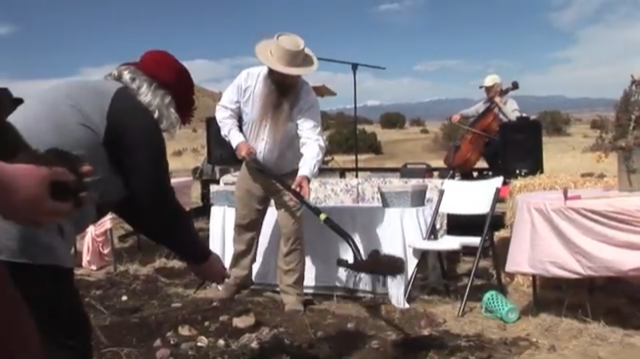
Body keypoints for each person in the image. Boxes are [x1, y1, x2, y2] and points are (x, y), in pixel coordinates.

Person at [1, 50, 228, 359]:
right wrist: (202, 258)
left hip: (14, 223)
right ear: (165, 102)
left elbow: (130, 204)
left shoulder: (93, 99)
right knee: (63, 343)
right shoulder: (133, 114)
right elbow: (155, 205)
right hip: (23, 235)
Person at [214, 33, 326, 313]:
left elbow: (313, 139)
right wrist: (238, 141)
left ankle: (291, 296)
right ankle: (238, 278)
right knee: (245, 226)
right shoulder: (247, 80)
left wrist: (305, 174)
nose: (289, 79)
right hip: (253, 171)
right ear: (273, 67)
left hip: (289, 176)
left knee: (291, 233)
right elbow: (224, 111)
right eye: (284, 74)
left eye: (294, 75)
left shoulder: (305, 96)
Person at [449, 74, 521, 175]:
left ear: (498, 87)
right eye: (485, 89)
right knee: (486, 149)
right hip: (492, 141)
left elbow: (515, 119)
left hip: (507, 140)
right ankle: (468, 175)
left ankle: (500, 176)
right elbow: (472, 111)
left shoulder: (509, 102)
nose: (486, 91)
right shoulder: (486, 103)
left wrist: (501, 105)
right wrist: (460, 114)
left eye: (489, 88)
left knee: (489, 150)